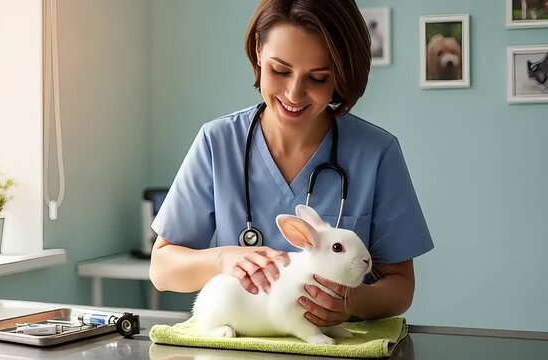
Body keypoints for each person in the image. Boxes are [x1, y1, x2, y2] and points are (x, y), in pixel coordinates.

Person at [150, 0, 433, 326]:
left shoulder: (377, 153)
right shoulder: (218, 143)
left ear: (340, 76)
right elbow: (162, 268)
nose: (294, 94)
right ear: (258, 50)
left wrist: (351, 300)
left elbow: (401, 286)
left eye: (317, 78)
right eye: (280, 71)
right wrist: (222, 258)